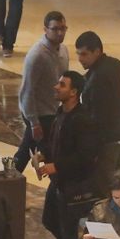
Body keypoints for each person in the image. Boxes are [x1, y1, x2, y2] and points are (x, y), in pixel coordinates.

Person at [36, 69, 101, 239]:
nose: (56, 87)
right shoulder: (61, 112)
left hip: (74, 186)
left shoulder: (83, 120)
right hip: (60, 182)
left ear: (74, 92)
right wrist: (44, 155)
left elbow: (86, 156)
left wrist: (58, 166)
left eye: (61, 85)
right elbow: (55, 142)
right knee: (48, 219)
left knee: (68, 229)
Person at [13, 10, 69, 172]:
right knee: (50, 152)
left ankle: (12, 175)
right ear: (45, 29)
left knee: (26, 149)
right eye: (55, 29)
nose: (60, 33)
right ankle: (55, 182)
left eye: (63, 28)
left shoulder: (63, 50)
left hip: (53, 111)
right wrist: (34, 122)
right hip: (39, 113)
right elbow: (27, 91)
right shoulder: (37, 55)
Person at [75, 31, 120, 178]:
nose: (80, 59)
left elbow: (99, 117)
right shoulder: (116, 64)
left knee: (104, 185)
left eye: (84, 54)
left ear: (97, 51)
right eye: (78, 54)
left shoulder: (97, 80)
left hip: (109, 142)